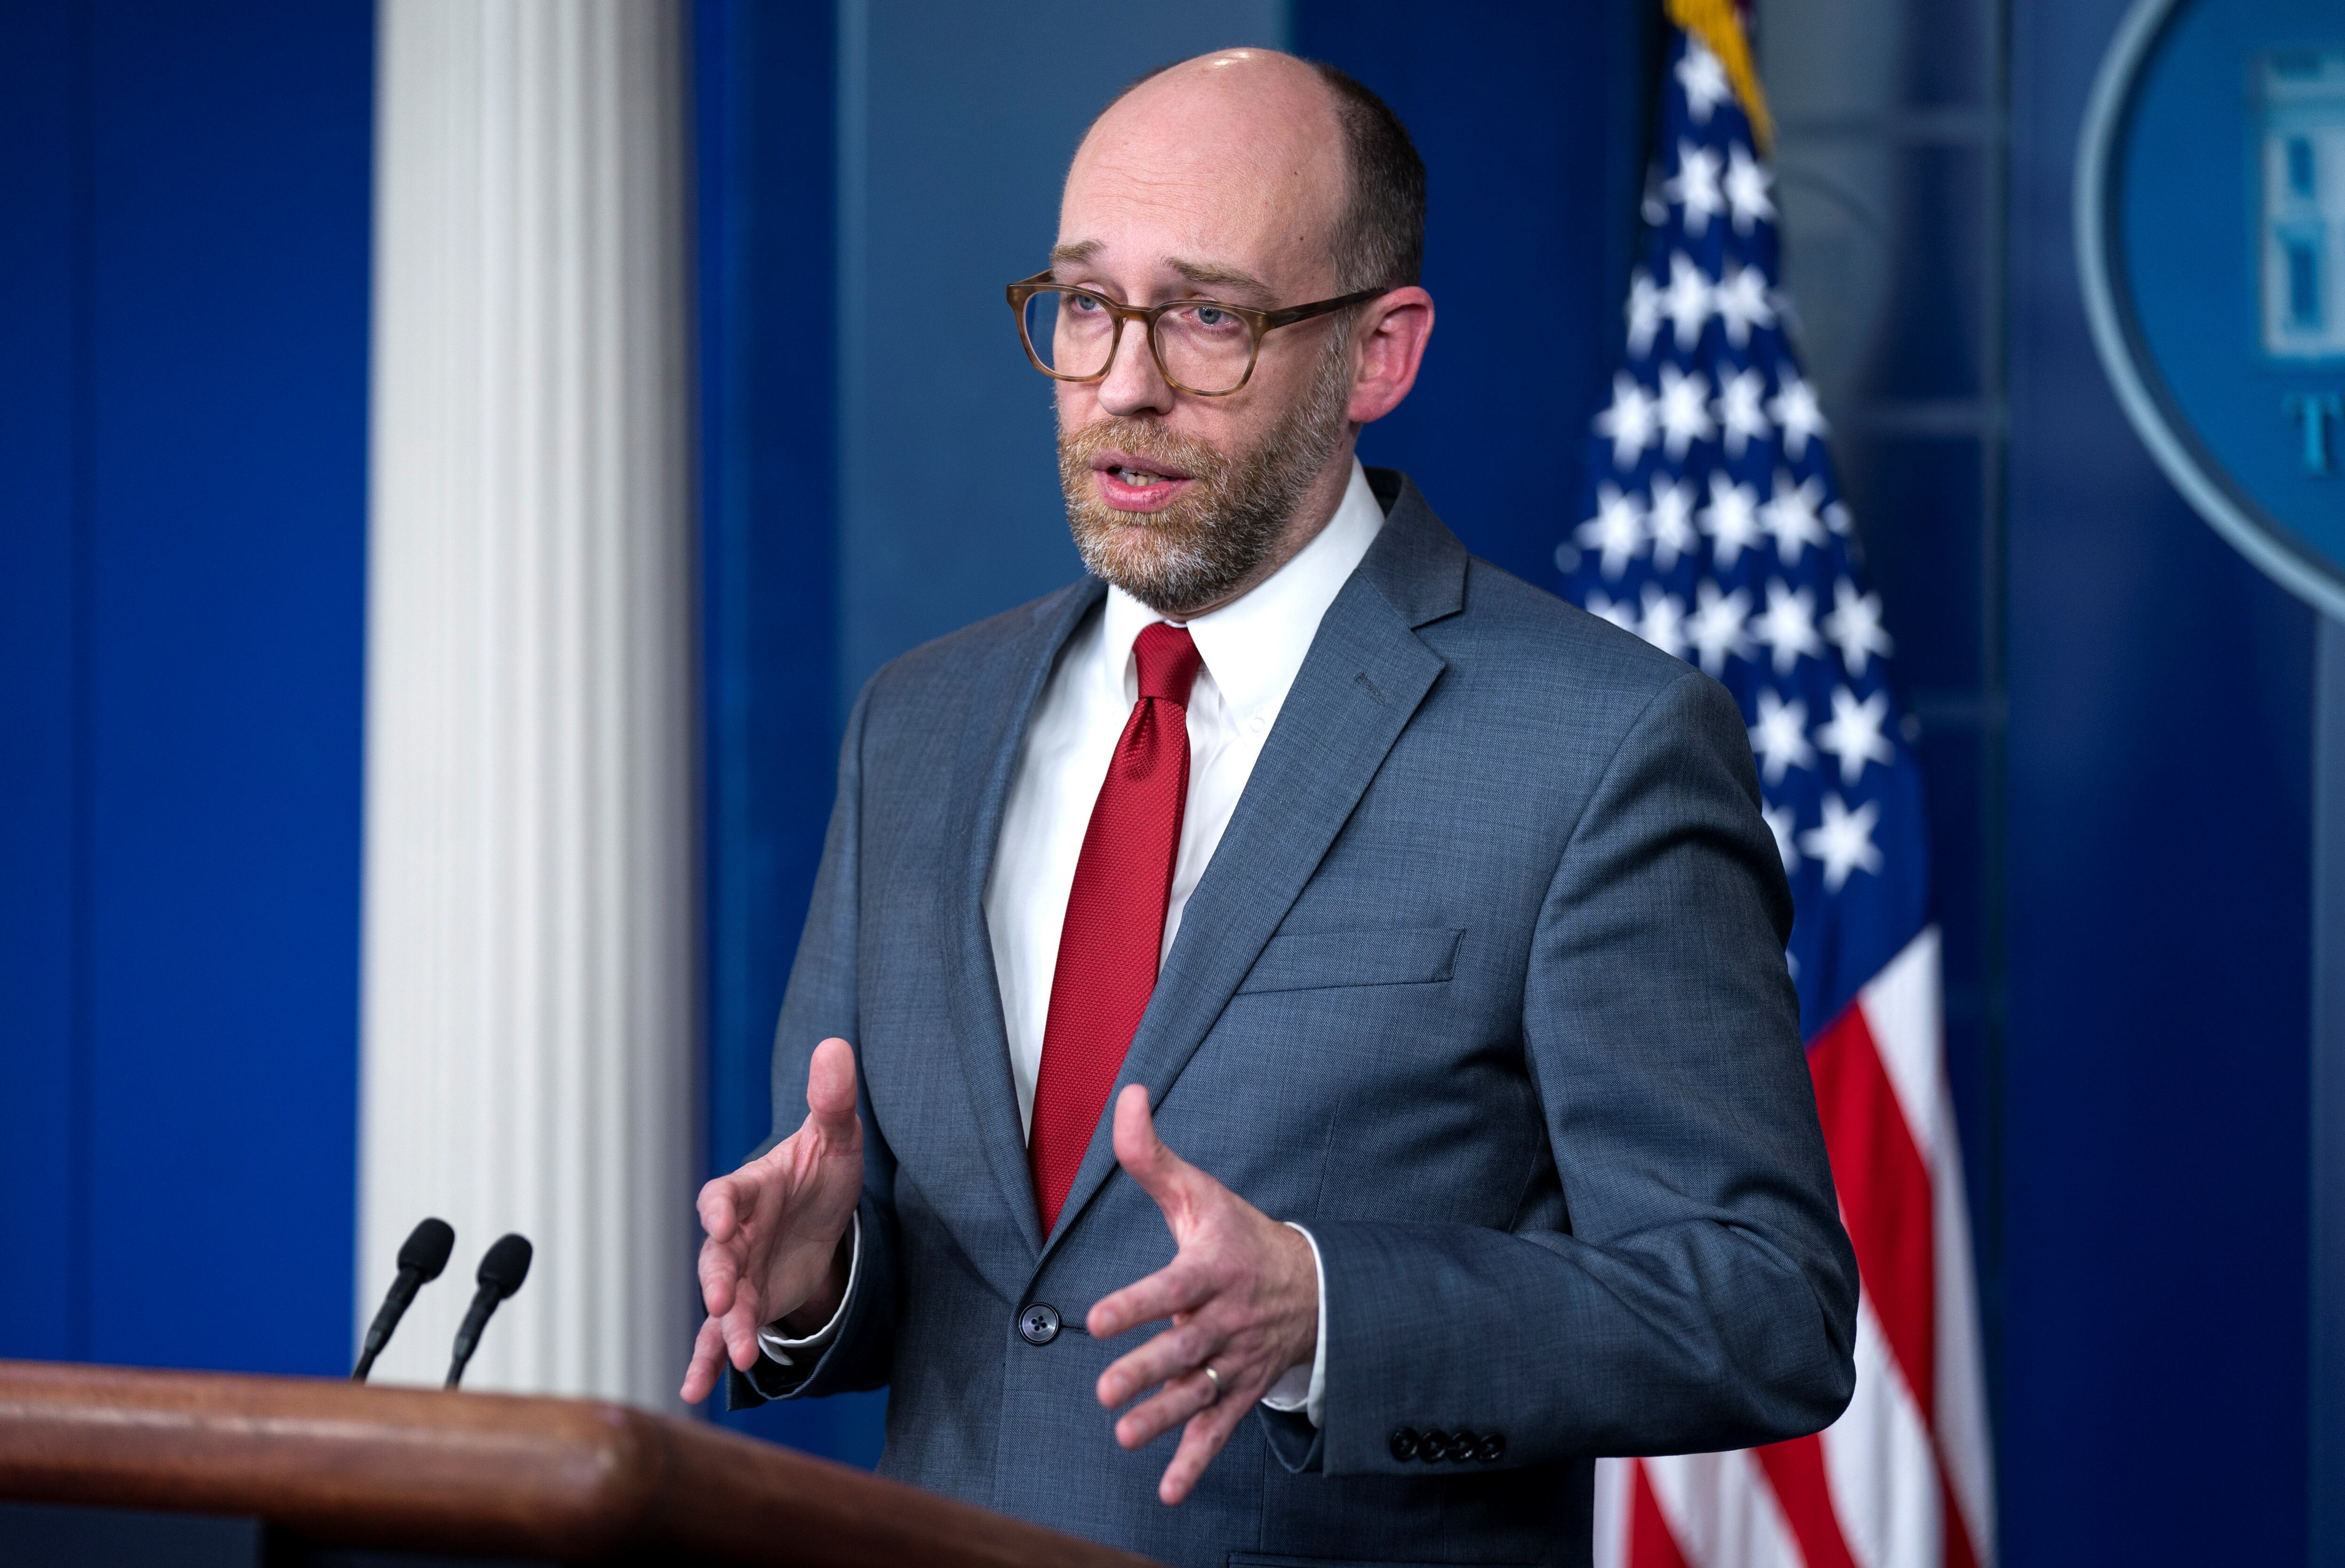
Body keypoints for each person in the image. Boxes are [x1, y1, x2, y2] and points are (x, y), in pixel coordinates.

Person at [681, 47, 1857, 1568]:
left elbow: (1765, 1304)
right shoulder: (917, 723)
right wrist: (818, 1280)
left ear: (1379, 353)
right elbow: (991, 1298)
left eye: (1211, 318)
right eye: (1088, 305)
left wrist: (1331, 1312)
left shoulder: (1601, 747)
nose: (1122, 382)